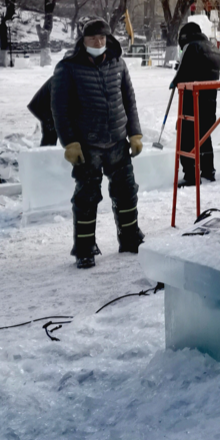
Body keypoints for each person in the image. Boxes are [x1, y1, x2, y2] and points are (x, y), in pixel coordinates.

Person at [51, 18, 144, 269]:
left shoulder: (118, 63)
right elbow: (60, 109)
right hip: (87, 145)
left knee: (127, 193)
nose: (98, 42)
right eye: (93, 39)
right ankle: (84, 249)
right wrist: (70, 143)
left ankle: (130, 237)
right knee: (87, 198)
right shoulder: (68, 68)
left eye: (102, 38)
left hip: (117, 142)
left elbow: (129, 100)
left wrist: (134, 133)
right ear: (83, 41)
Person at [171, 21, 220, 186]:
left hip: (191, 102)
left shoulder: (191, 47)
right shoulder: (213, 48)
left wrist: (175, 80)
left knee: (186, 137)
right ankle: (208, 170)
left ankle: (191, 174)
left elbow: (182, 74)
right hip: (209, 103)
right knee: (204, 137)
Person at [28, 77, 58, 146]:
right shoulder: (60, 80)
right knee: (50, 136)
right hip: (44, 108)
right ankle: (45, 154)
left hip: (47, 108)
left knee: (52, 135)